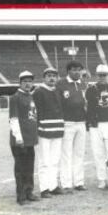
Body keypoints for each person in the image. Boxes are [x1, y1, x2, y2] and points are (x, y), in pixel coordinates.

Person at [85, 64, 108, 189]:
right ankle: (101, 179)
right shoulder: (91, 89)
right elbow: (88, 108)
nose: (102, 77)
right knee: (98, 153)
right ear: (96, 76)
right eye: (100, 75)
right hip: (96, 125)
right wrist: (88, 124)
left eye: (104, 75)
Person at [33, 67, 64, 198]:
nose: (52, 78)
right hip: (44, 131)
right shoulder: (38, 92)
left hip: (57, 130)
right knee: (44, 161)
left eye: (54, 76)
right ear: (44, 78)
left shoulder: (58, 91)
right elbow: (35, 112)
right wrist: (38, 128)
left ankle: (53, 185)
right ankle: (44, 188)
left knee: (55, 160)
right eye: (49, 76)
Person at [56, 60, 87, 193]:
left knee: (79, 154)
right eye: (74, 69)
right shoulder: (61, 84)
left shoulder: (83, 84)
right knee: (66, 154)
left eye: (79, 69)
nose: (77, 72)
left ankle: (78, 182)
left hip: (81, 123)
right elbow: (57, 104)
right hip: (67, 123)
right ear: (68, 71)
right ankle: (67, 183)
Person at [9, 70, 39, 205]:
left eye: (30, 81)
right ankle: (20, 196)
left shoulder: (30, 96)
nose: (28, 84)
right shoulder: (15, 97)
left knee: (29, 167)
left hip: (30, 138)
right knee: (20, 168)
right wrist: (18, 138)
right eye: (25, 82)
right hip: (20, 140)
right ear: (20, 83)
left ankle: (29, 192)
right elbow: (13, 119)